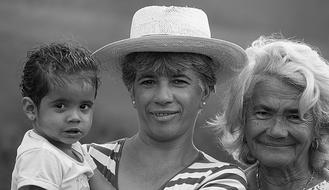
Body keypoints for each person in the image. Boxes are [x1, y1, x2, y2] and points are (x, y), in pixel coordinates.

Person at [85, 5, 248, 190]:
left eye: (179, 81)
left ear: (205, 91)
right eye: (148, 81)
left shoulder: (222, 179)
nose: (162, 97)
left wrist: (90, 175)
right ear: (131, 90)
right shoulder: (85, 156)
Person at [209, 35, 329, 190]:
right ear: (241, 119)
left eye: (294, 116)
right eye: (263, 113)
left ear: (321, 128)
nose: (276, 131)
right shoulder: (221, 187)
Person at [11, 42, 115, 190]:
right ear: (31, 109)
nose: (75, 117)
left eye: (83, 107)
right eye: (60, 106)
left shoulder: (74, 147)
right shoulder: (41, 156)